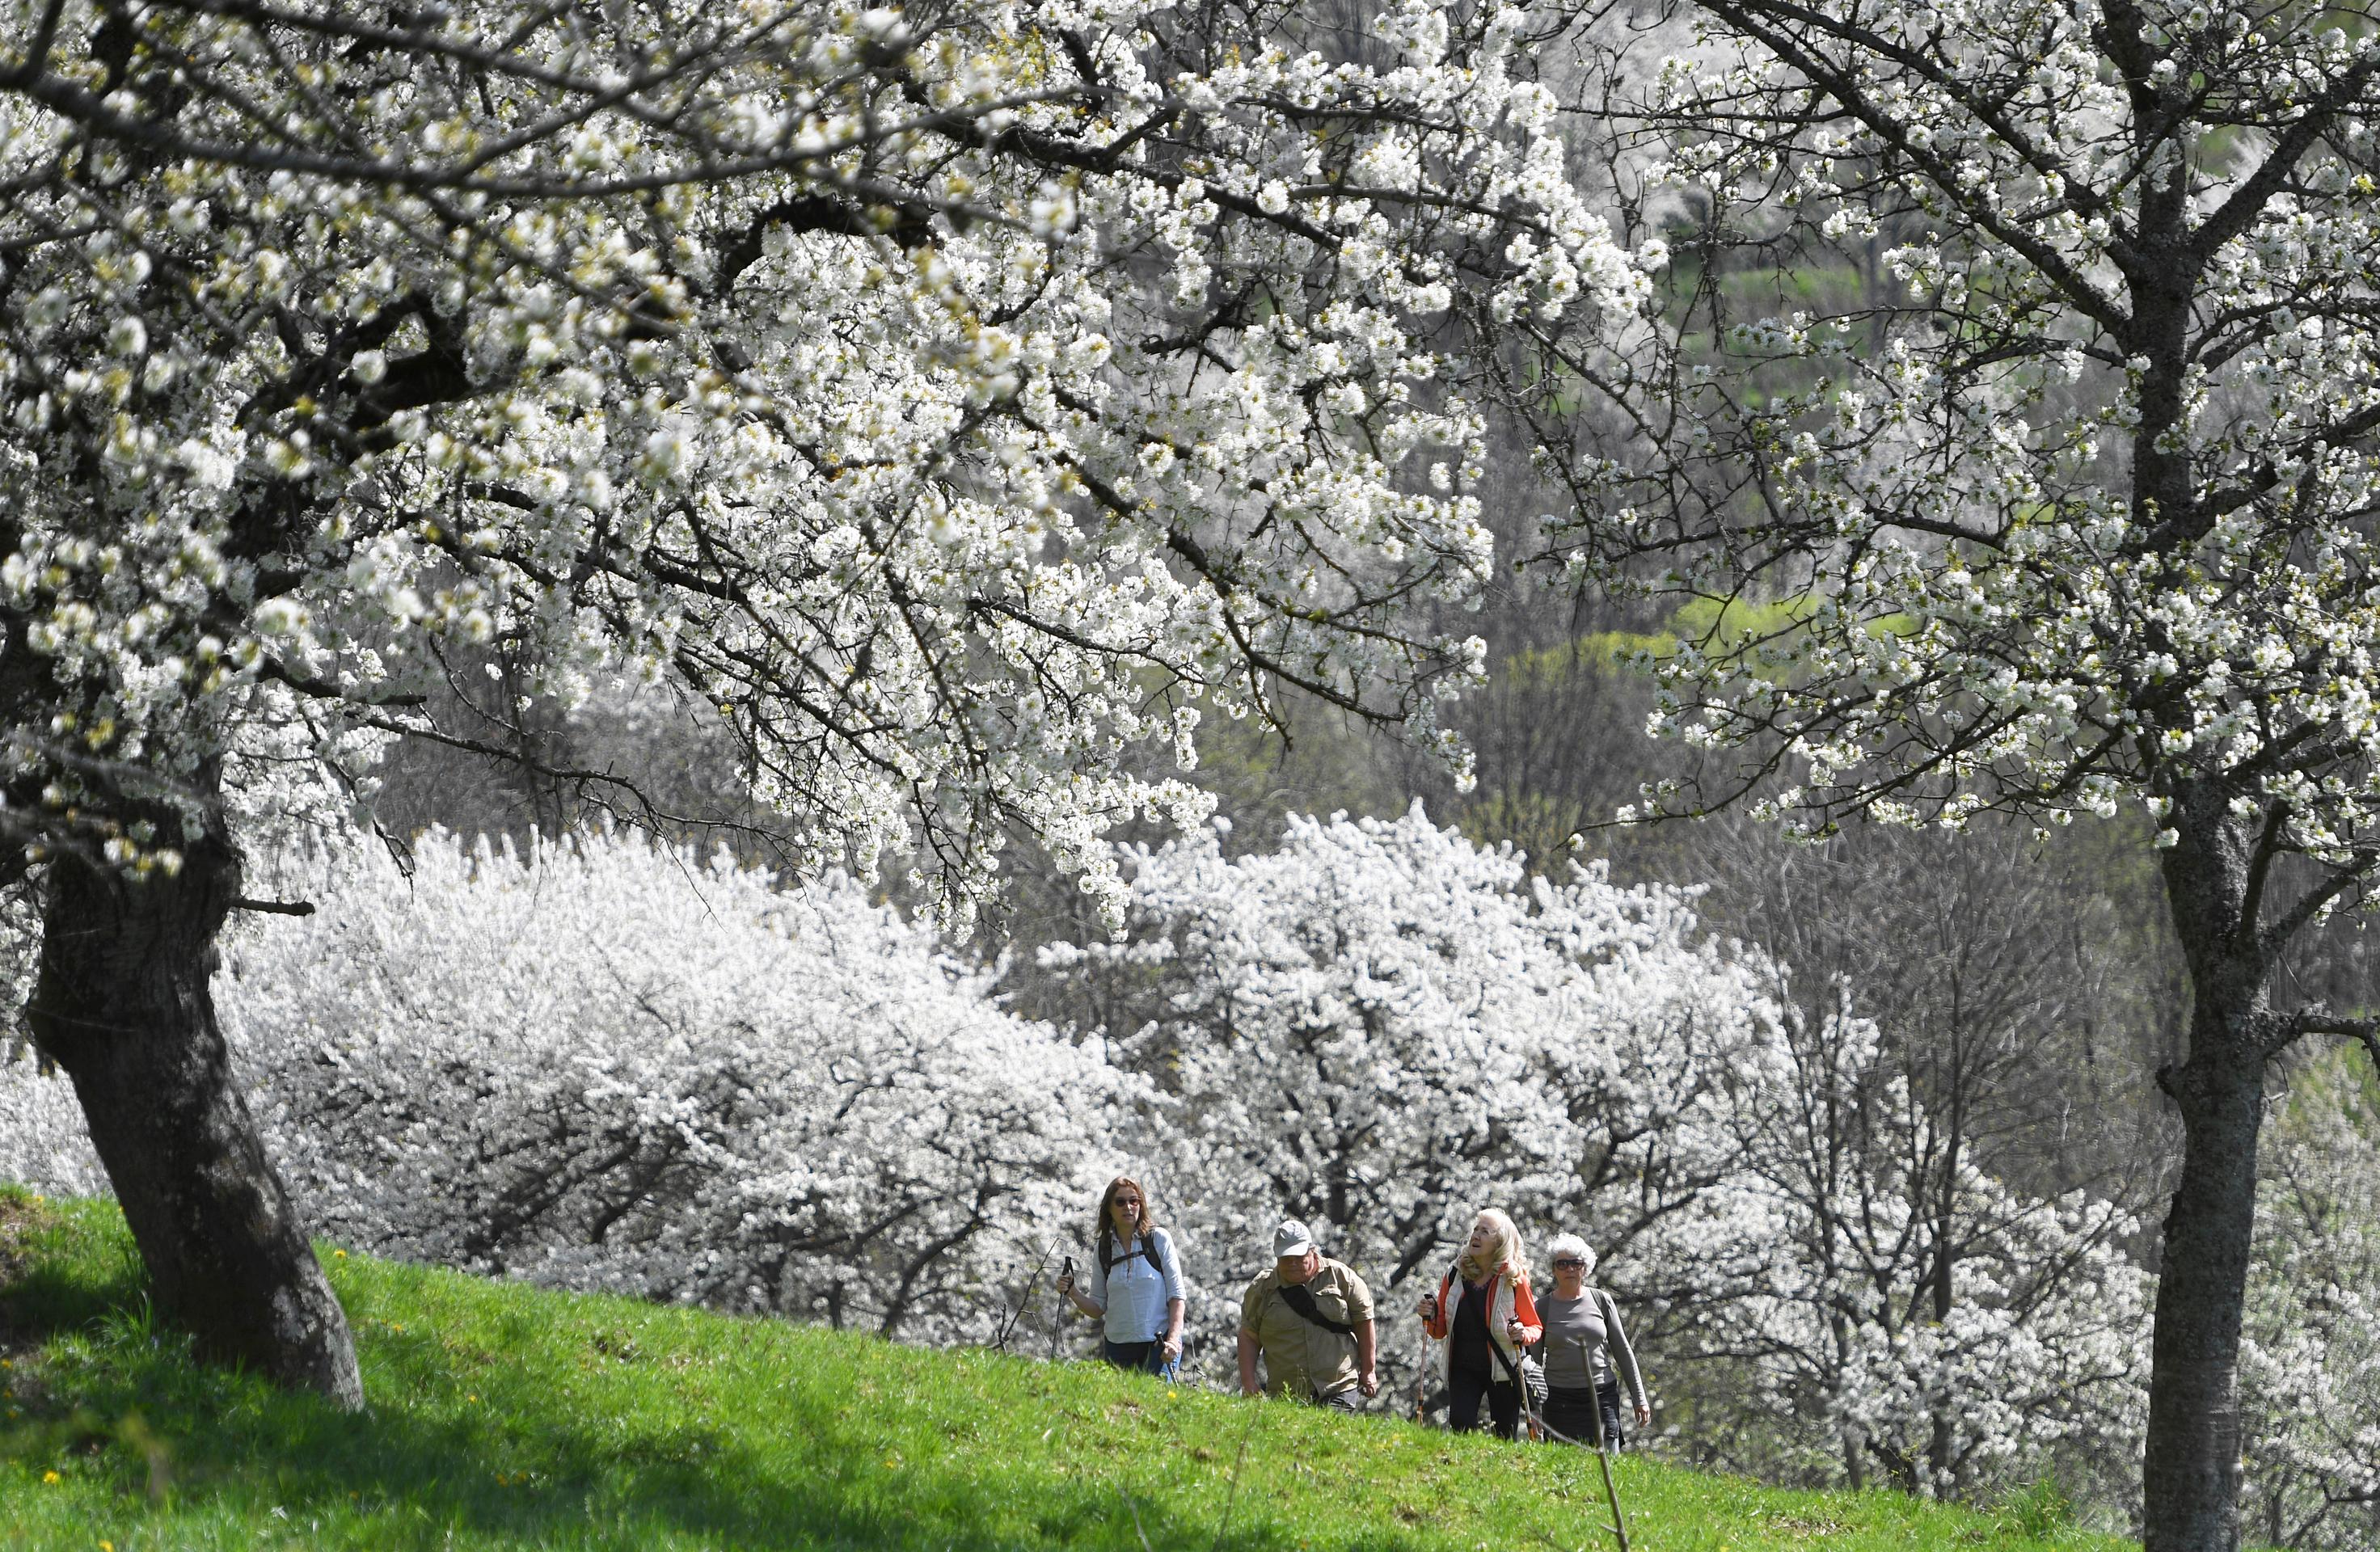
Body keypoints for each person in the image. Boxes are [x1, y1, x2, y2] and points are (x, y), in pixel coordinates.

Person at [1418, 1208, 1542, 1440]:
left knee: (1505, 1435)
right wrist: (1430, 1315)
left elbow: (1535, 1327)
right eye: (1476, 1229)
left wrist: (1522, 1333)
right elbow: (1440, 1329)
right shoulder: (1455, 1274)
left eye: (1485, 1231)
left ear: (1500, 1241)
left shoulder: (1514, 1279)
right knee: (1460, 1424)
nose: (1476, 1235)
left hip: (1504, 1370)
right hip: (1463, 1368)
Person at [1238, 1218, 1379, 1410]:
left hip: (1338, 1385)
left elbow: (1364, 1321)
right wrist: (1248, 1382)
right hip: (1286, 1392)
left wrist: (1369, 1371)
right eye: (1286, 1258)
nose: (1292, 1263)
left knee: (1329, 1428)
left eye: (1298, 1257)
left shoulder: (1341, 1277)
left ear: (1312, 1251)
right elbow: (1249, 1335)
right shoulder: (1262, 1289)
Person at [1058, 1175, 1186, 1377]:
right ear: (1109, 1209)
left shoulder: (1159, 1239)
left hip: (1159, 1344)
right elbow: (1098, 1307)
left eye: (1134, 1201)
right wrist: (1072, 1292)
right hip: (1118, 1347)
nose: (1128, 1207)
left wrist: (1173, 1340)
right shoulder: (1104, 1249)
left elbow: (1177, 1296)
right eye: (1120, 1202)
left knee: (1157, 1394)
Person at [1534, 1233, 1649, 1449]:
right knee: (1563, 1462)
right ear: (1553, 1269)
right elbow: (1534, 1364)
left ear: (1585, 1268)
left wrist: (1639, 1398)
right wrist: (1534, 1407)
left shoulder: (1601, 1300)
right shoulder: (1542, 1307)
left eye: (1576, 1263)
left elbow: (1623, 1351)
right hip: (1558, 1399)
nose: (1570, 1269)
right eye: (1562, 1264)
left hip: (1601, 1395)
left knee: (1608, 1457)